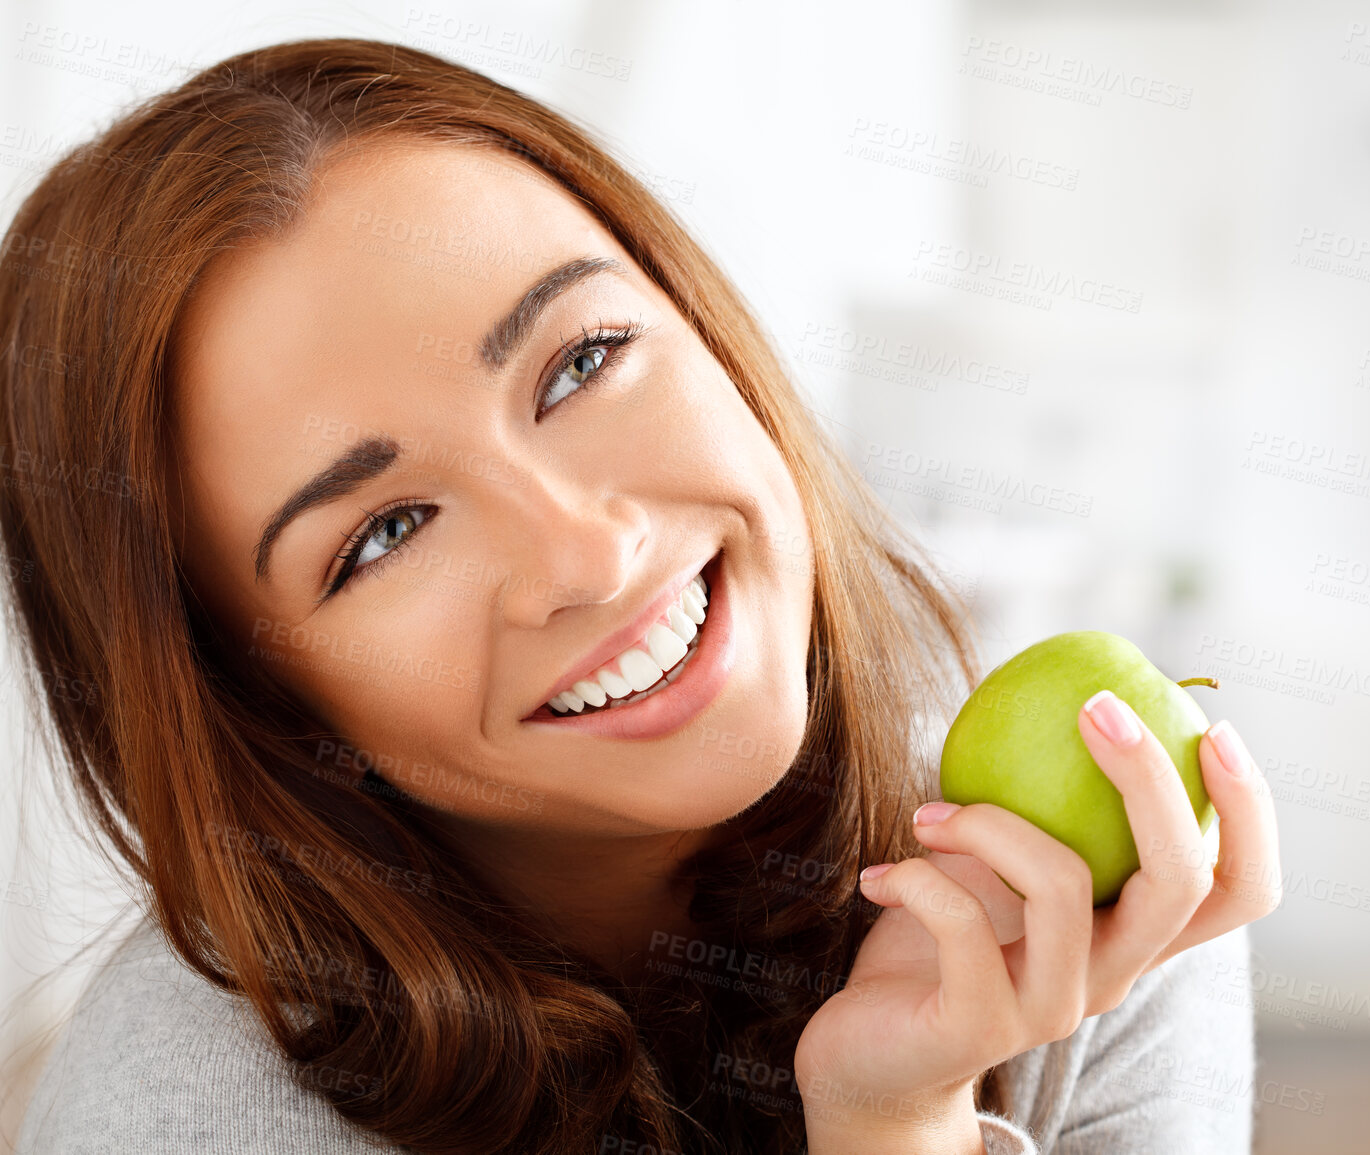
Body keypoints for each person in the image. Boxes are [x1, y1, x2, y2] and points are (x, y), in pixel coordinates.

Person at [0, 38, 1281, 1155]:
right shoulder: (185, 1117)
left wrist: (902, 1113)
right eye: (385, 533)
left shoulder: (1056, 896)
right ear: (249, 694)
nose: (589, 556)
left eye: (583, 362)